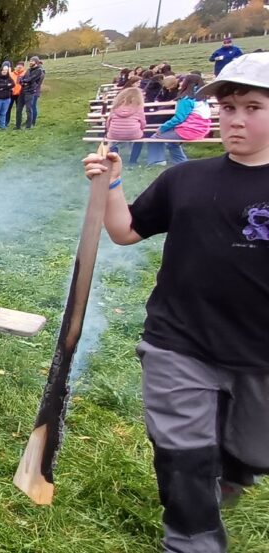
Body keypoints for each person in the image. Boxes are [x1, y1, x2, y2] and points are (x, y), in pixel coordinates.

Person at [81, 52, 269, 553]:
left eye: (252, 107)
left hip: (260, 353)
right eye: (228, 108)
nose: (235, 119)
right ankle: (192, 539)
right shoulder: (185, 180)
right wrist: (112, 182)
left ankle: (234, 468)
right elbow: (123, 231)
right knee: (183, 456)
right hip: (178, 341)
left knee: (252, 450)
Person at [147, 73, 211, 166]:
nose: (180, 83)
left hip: (189, 130)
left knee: (154, 138)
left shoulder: (186, 98)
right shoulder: (202, 98)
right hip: (201, 130)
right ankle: (181, 162)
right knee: (172, 143)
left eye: (182, 81)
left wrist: (162, 128)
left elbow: (178, 118)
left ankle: (157, 162)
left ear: (186, 83)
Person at [105, 87, 147, 160]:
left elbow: (108, 121)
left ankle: (114, 156)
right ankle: (133, 160)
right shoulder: (138, 107)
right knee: (141, 139)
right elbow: (143, 123)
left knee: (111, 140)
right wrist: (141, 129)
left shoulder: (115, 107)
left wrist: (110, 130)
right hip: (134, 134)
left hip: (114, 133)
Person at [19, 56, 45, 129]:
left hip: (34, 91)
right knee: (30, 106)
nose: (30, 62)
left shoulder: (40, 71)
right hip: (28, 89)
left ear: (36, 62)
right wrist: (25, 82)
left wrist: (28, 82)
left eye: (32, 61)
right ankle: (29, 121)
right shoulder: (30, 70)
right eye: (30, 61)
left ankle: (32, 121)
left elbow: (35, 81)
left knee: (32, 106)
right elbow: (24, 79)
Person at [9, 62, 26, 128]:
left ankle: (18, 123)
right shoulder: (12, 74)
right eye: (18, 66)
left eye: (20, 67)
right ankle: (6, 122)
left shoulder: (25, 73)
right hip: (11, 94)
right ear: (15, 67)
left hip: (20, 94)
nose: (19, 68)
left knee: (19, 109)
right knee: (8, 108)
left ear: (23, 67)